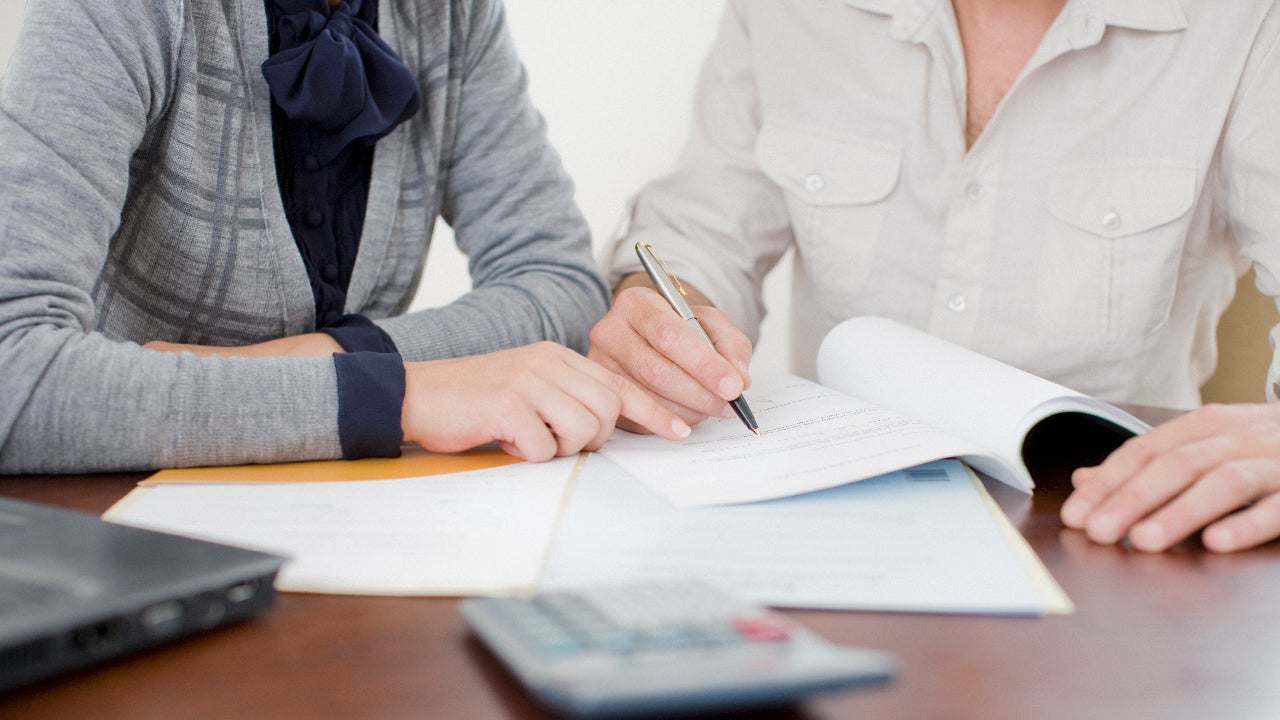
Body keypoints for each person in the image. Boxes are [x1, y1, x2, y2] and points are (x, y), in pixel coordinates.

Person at [588, 0, 1280, 552]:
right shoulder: (786, 12)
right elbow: (701, 234)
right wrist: (661, 314)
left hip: (1107, 532)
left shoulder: (1247, 23)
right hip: (837, 523)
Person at [0, 0, 689, 474]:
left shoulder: (451, 15)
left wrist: (334, 355)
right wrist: (395, 395)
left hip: (341, 514)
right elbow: (12, 374)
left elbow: (562, 286)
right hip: (122, 526)